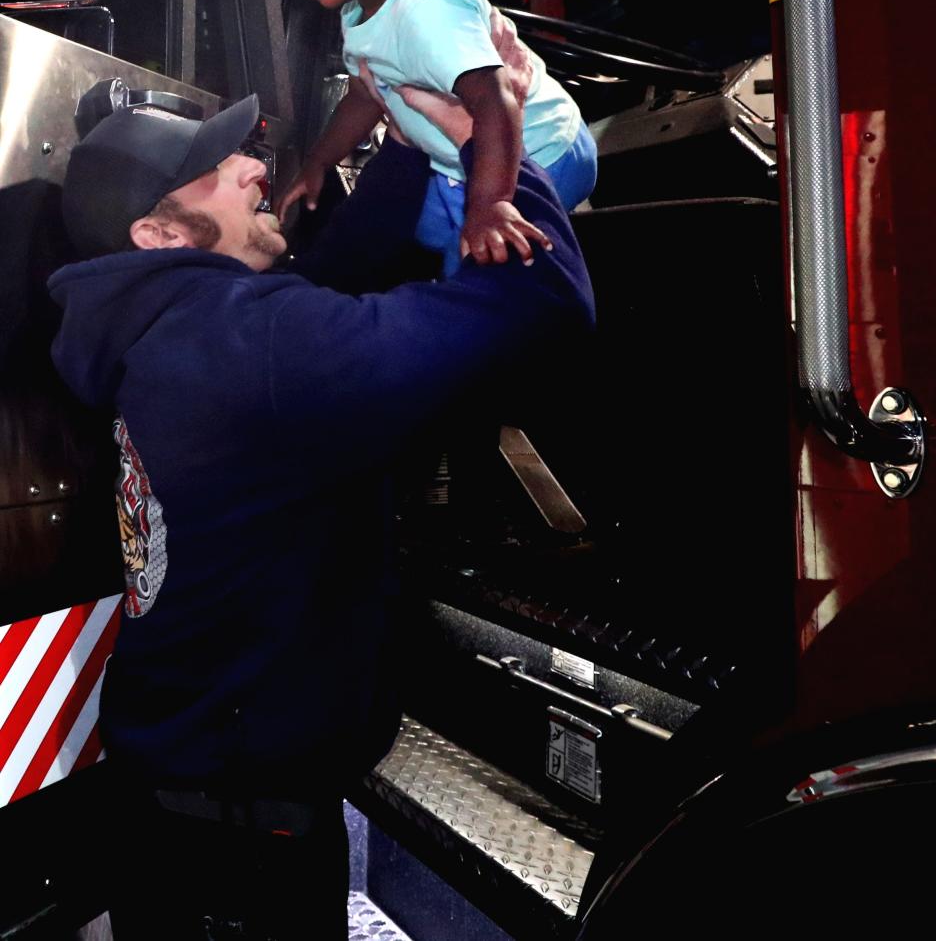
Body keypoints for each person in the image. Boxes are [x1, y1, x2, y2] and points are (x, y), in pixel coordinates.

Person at [48, 92, 594, 939]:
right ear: (158, 236)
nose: (254, 166)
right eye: (217, 166)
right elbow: (545, 298)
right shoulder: (253, 345)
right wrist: (488, 140)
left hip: (184, 798)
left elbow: (334, 269)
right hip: (242, 843)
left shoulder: (177, 333)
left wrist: (405, 124)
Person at [274, 0, 598, 276]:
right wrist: (318, 164)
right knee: (413, 228)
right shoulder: (358, 8)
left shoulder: (428, 9)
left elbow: (497, 101)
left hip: (543, 152)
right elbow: (365, 95)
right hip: (463, 156)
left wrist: (491, 205)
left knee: (470, 258)